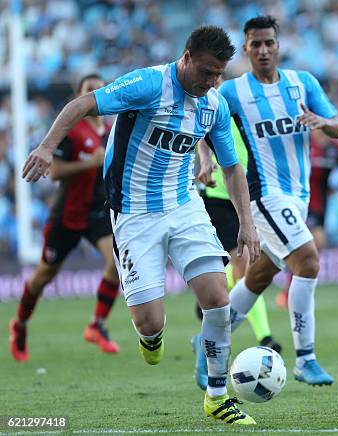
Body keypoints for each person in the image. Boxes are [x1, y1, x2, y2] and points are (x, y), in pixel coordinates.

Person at [22, 26, 259, 426]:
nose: (212, 81)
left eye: (218, 74)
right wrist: (46, 147)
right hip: (133, 214)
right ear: (185, 58)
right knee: (149, 323)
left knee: (218, 297)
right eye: (206, 72)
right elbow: (82, 105)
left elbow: (232, 167)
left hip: (185, 207)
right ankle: (151, 337)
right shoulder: (149, 84)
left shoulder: (213, 104)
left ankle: (217, 397)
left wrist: (246, 222)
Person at [217, 15, 338, 386]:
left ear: (278, 46)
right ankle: (306, 357)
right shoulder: (232, 92)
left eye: (268, 43)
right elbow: (205, 122)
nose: (263, 50)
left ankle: (208, 341)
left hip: (298, 196)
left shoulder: (303, 83)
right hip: (264, 194)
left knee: (258, 277)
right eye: (255, 44)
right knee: (307, 261)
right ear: (246, 49)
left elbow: (337, 127)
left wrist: (320, 121)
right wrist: (207, 159)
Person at [9, 74, 121, 362]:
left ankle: (96, 325)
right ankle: (19, 324)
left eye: (100, 88)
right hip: (68, 214)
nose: (96, 93)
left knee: (116, 265)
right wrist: (90, 162)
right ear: (79, 94)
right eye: (90, 89)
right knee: (43, 277)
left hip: (97, 212)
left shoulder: (110, 130)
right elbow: (55, 172)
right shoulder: (72, 130)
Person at [191, 119, 283, 390]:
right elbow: (202, 135)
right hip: (218, 196)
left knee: (245, 270)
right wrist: (205, 159)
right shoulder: (219, 104)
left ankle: (210, 331)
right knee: (245, 268)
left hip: (247, 195)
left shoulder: (249, 106)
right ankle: (264, 337)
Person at [276, 129, 338, 309]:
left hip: (320, 206)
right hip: (301, 205)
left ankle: (293, 288)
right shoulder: (304, 145)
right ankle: (290, 292)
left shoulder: (333, 149)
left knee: (310, 249)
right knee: (313, 244)